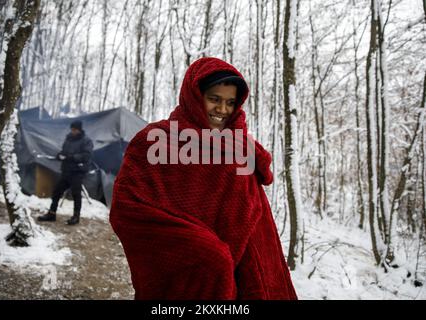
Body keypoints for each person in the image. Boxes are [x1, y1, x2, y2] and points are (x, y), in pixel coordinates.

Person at [110, 57, 297, 299]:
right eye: (214, 99)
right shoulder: (156, 140)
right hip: (189, 273)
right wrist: (204, 251)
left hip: (243, 271)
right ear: (195, 96)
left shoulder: (240, 146)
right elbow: (127, 208)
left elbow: (254, 213)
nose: (222, 110)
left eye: (230, 102)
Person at [38, 120, 93, 225]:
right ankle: (51, 213)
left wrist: (72, 157)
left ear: (79, 129)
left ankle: (76, 217)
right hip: (66, 170)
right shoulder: (68, 139)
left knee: (76, 194)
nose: (73, 131)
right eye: (72, 129)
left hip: (77, 171)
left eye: (75, 129)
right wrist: (59, 156)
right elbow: (64, 152)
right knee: (56, 191)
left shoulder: (86, 141)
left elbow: (87, 155)